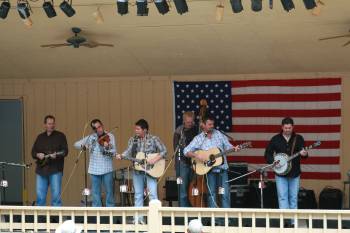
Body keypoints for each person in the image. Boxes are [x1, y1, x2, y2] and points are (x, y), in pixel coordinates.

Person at [184, 114, 239, 209]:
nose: (212, 126)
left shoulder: (219, 134)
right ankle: (214, 219)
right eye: (209, 124)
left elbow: (228, 146)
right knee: (211, 194)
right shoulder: (199, 138)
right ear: (203, 125)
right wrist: (197, 155)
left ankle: (227, 219)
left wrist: (234, 148)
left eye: (212, 124)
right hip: (209, 170)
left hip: (222, 168)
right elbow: (185, 151)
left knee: (224, 193)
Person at [117, 119, 167, 222]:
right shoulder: (133, 140)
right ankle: (138, 219)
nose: (136, 130)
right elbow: (129, 150)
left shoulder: (154, 139)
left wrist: (155, 159)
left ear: (145, 130)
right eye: (135, 128)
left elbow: (164, 151)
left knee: (153, 194)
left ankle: (155, 220)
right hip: (138, 170)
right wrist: (121, 155)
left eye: (138, 129)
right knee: (138, 195)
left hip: (151, 171)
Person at [264, 117, 308, 226]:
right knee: (282, 197)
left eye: (289, 128)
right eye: (285, 128)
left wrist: (305, 154)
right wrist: (274, 162)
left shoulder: (299, 138)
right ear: (282, 127)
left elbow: (304, 155)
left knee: (293, 197)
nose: (287, 130)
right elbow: (267, 154)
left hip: (295, 173)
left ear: (293, 127)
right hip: (280, 173)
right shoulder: (275, 139)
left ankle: (293, 222)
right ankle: (285, 221)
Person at [74, 119, 116, 207]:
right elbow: (76, 144)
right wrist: (83, 146)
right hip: (94, 169)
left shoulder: (110, 136)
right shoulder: (91, 137)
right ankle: (98, 215)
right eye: (96, 128)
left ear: (102, 125)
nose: (99, 129)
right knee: (95, 194)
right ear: (94, 130)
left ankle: (110, 213)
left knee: (109, 192)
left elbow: (114, 152)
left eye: (100, 126)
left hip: (107, 168)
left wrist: (107, 147)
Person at [32, 115, 68, 206]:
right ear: (45, 125)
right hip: (41, 170)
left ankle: (56, 219)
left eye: (53, 123)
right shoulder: (40, 137)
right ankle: (41, 219)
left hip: (55, 169)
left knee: (56, 197)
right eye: (49, 124)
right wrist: (37, 154)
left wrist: (56, 155)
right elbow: (33, 151)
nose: (51, 125)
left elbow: (65, 151)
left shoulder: (60, 136)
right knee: (40, 196)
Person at [173, 111, 198, 207]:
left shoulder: (197, 130)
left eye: (191, 122)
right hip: (183, 163)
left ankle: (194, 209)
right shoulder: (179, 131)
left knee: (194, 189)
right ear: (184, 121)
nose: (190, 124)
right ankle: (183, 213)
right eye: (188, 122)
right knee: (183, 191)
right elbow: (177, 151)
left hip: (195, 163)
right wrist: (178, 163)